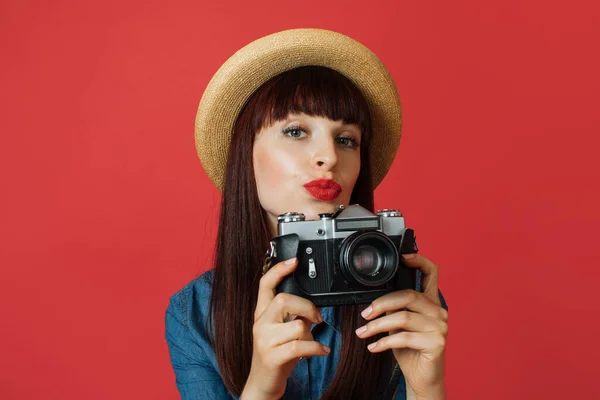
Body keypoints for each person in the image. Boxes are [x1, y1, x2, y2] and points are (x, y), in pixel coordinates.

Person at [165, 29, 449, 400]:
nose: (329, 157)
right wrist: (261, 387)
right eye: (296, 131)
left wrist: (426, 387)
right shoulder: (196, 314)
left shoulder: (404, 295)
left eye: (346, 139)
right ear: (244, 154)